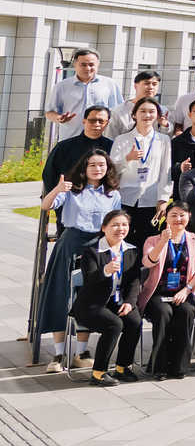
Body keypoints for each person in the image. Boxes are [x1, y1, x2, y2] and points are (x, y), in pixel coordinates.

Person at [37, 145, 119, 370]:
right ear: (84, 167)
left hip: (97, 247)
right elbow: (46, 205)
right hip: (70, 243)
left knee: (88, 296)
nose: (97, 169)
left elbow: (115, 224)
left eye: (101, 165)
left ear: (108, 168)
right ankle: (58, 354)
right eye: (92, 165)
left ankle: (81, 352)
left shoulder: (113, 194)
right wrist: (57, 189)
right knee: (60, 294)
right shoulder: (71, 189)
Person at [71, 210, 142, 384]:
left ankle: (122, 368)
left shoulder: (131, 250)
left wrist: (129, 302)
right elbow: (89, 279)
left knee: (134, 321)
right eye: (115, 225)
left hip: (117, 302)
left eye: (124, 225)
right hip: (91, 304)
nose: (120, 229)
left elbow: (134, 281)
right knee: (114, 324)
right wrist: (105, 271)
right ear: (104, 228)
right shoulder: (92, 251)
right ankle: (98, 373)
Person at [138, 201, 195, 379]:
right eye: (173, 215)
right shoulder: (152, 240)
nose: (178, 219)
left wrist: (187, 290)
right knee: (163, 313)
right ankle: (159, 367)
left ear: (189, 216)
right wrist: (163, 241)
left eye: (182, 215)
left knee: (185, 312)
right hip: (159, 292)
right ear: (166, 218)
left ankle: (179, 367)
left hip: (187, 291)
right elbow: (148, 262)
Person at [109, 96, 171, 246]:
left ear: (157, 115)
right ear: (134, 114)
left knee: (147, 242)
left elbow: (166, 171)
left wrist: (163, 199)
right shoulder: (122, 139)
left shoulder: (163, 140)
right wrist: (127, 158)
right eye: (142, 111)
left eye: (151, 111)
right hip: (125, 198)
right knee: (123, 241)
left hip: (150, 199)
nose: (147, 115)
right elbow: (111, 171)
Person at [47, 49, 125, 143]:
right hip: (70, 140)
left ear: (98, 64)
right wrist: (59, 118)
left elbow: (119, 112)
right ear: (75, 64)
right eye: (83, 65)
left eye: (91, 65)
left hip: (102, 141)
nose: (88, 68)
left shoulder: (110, 84)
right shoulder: (62, 86)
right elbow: (49, 113)